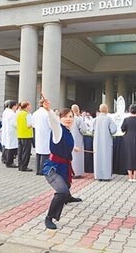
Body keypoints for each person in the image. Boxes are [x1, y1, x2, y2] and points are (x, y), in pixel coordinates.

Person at [41, 99, 82, 230]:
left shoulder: (68, 132)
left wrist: (74, 148)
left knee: (67, 185)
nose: (68, 119)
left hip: (64, 166)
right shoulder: (58, 129)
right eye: (65, 117)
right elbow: (54, 122)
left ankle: (68, 198)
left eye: (71, 117)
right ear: (60, 118)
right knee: (62, 190)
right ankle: (49, 217)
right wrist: (49, 110)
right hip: (53, 167)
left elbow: (66, 144)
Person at [121, 104, 136, 182]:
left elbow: (122, 129)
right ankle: (135, 177)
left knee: (128, 155)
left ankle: (130, 177)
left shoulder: (126, 120)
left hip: (128, 139)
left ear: (129, 110)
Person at [92, 104, 117, 181]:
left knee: (97, 158)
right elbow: (114, 130)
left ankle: (98, 176)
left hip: (97, 142)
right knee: (106, 159)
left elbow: (92, 130)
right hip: (106, 142)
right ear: (107, 110)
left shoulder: (95, 119)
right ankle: (106, 176)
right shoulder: (108, 119)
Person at [70, 104, 87, 178]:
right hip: (77, 139)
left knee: (70, 156)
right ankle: (76, 173)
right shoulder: (78, 119)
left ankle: (70, 172)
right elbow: (83, 130)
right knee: (77, 156)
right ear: (78, 110)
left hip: (69, 139)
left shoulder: (68, 118)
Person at [16, 101, 34, 172]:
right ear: (26, 106)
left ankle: (20, 165)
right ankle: (24, 166)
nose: (30, 107)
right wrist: (34, 123)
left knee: (20, 151)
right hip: (27, 135)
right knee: (26, 152)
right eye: (29, 105)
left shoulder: (19, 113)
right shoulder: (27, 114)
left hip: (20, 134)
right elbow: (29, 125)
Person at [1, 100, 18, 168]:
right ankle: (10, 162)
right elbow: (14, 123)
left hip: (8, 131)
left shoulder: (6, 112)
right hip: (12, 131)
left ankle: (6, 160)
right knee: (11, 147)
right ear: (13, 106)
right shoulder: (12, 113)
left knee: (8, 146)